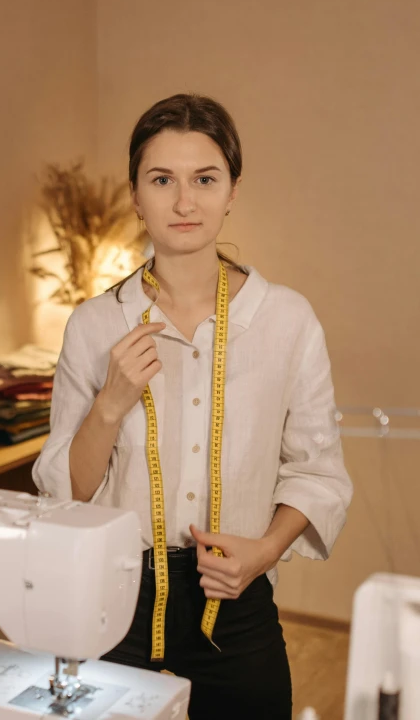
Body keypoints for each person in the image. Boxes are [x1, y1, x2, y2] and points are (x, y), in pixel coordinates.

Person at [32, 93, 353, 719]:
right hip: (113, 597)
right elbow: (63, 493)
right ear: (135, 195)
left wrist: (261, 554)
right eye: (162, 180)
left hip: (234, 599)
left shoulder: (285, 319)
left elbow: (318, 471)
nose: (185, 202)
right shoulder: (97, 325)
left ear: (232, 189)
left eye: (205, 179)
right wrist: (109, 404)